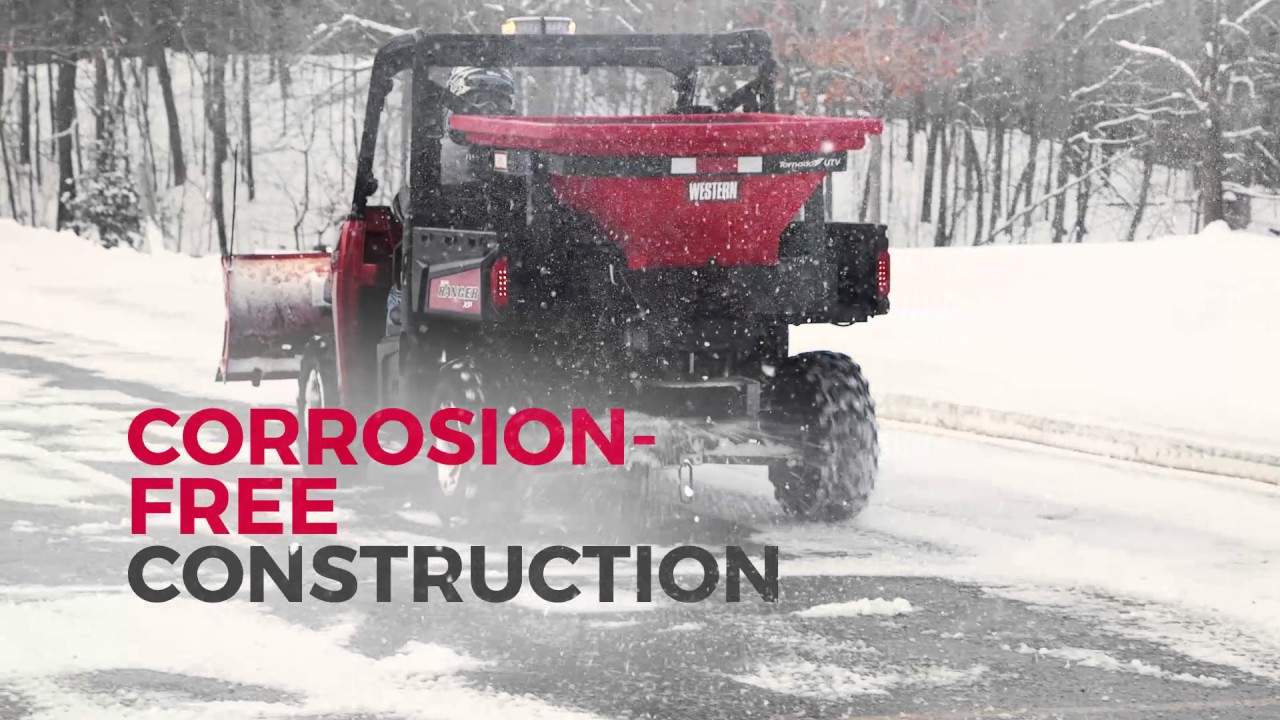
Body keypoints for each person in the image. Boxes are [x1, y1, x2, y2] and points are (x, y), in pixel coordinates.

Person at [387, 65, 517, 335]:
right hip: (452, 269)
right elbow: (409, 206)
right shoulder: (441, 155)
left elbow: (407, 207)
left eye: (498, 102)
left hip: (462, 272)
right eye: (480, 101)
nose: (490, 110)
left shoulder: (523, 155)